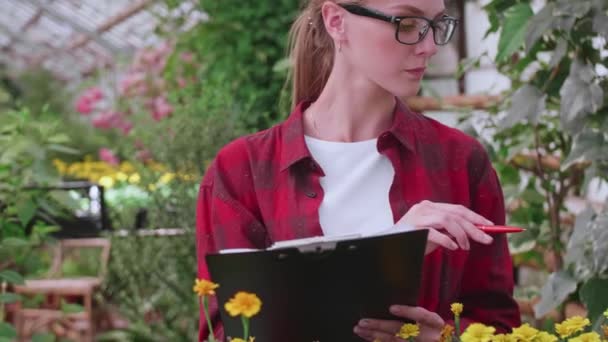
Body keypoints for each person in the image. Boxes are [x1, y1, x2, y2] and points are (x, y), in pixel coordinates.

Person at [196, 0, 521, 340]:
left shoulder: (461, 161)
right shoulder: (240, 171)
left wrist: (441, 338)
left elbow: (499, 326)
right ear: (336, 21)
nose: (429, 47)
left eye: (436, 25)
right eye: (407, 23)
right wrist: (390, 250)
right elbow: (225, 332)